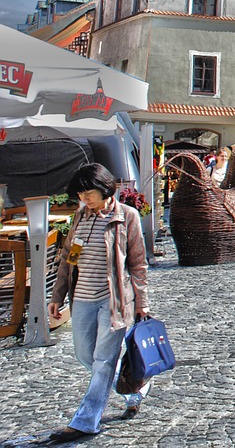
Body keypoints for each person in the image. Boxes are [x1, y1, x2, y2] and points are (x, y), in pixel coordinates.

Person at [47, 164, 150, 442]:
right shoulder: (80, 217)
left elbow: (138, 264)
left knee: (103, 360)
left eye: (88, 192)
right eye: (80, 193)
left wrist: (142, 302)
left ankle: (85, 421)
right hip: (81, 298)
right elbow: (68, 260)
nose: (84, 198)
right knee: (86, 355)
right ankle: (135, 387)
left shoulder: (126, 216)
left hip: (113, 300)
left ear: (105, 189)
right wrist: (57, 296)